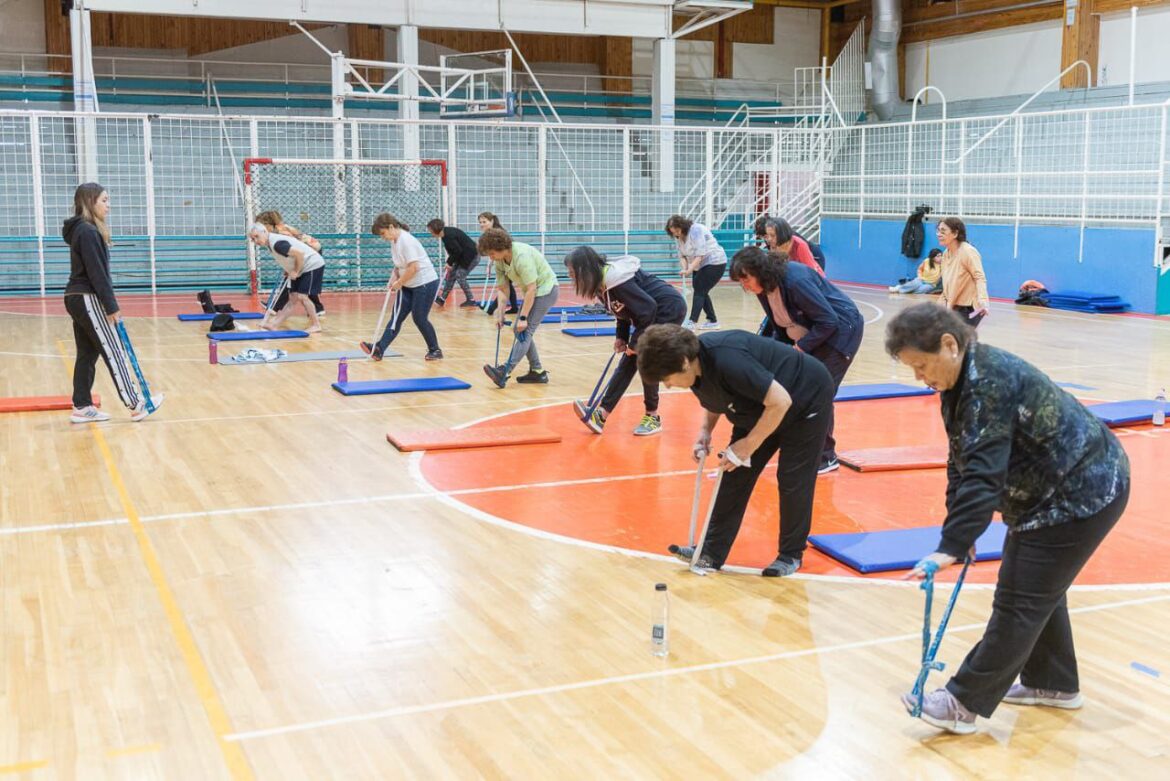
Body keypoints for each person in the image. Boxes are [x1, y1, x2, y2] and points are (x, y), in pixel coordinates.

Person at [887, 303, 1130, 735]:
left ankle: (963, 702)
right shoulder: (960, 381)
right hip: (1047, 496)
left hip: (1082, 492)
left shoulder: (988, 382)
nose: (920, 377)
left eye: (921, 365)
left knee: (1019, 600)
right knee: (1037, 589)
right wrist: (959, 526)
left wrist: (952, 545)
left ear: (949, 344)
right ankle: (1053, 683)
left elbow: (985, 473)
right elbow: (961, 459)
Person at [637, 325, 834, 576]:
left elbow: (781, 401)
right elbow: (714, 397)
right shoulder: (694, 368)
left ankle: (790, 554)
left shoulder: (728, 360)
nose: (666, 386)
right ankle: (710, 553)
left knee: (793, 479)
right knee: (733, 475)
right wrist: (705, 432)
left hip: (805, 398)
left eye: (666, 379)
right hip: (758, 406)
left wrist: (749, 444)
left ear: (684, 362)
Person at [729, 246, 863, 473]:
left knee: (819, 392)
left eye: (746, 279)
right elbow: (777, 325)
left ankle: (826, 457)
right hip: (813, 334)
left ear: (760, 271)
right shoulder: (763, 287)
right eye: (740, 282)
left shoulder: (796, 281)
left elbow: (828, 321)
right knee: (786, 385)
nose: (745, 286)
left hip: (840, 333)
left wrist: (799, 348)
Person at [63, 182, 164, 422]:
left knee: (87, 353)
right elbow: (97, 273)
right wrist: (111, 306)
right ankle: (136, 404)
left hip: (76, 297)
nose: (109, 205)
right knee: (114, 350)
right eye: (104, 200)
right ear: (91, 202)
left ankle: (82, 406)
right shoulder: (88, 232)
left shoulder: (82, 230)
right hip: (87, 297)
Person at [563, 246, 687, 436]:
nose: (570, 276)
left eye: (572, 272)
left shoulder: (616, 280)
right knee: (629, 361)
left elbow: (649, 308)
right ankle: (601, 415)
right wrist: (621, 337)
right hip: (650, 314)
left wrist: (635, 343)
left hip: (668, 309)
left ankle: (652, 417)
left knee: (646, 359)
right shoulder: (601, 283)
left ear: (584, 269)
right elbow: (621, 311)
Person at [480, 228, 559, 387]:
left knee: (524, 330)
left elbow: (532, 288)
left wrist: (523, 317)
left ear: (502, 247)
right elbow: (503, 289)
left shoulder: (521, 256)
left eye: (492, 253)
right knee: (520, 330)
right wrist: (500, 313)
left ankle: (504, 371)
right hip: (533, 292)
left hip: (546, 290)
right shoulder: (500, 261)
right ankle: (537, 371)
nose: (491, 257)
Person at [359, 214, 443, 361]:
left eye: (383, 233)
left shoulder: (406, 241)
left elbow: (414, 267)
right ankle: (379, 349)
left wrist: (400, 282)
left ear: (391, 227)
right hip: (408, 284)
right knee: (396, 317)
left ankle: (435, 350)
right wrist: (394, 277)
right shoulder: (394, 241)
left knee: (419, 318)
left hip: (424, 283)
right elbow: (400, 265)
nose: (383, 237)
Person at [247, 224, 324, 334]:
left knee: (302, 296)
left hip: (312, 264)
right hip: (300, 266)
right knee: (292, 298)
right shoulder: (270, 243)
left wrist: (295, 271)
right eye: (253, 239)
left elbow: (299, 254)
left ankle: (316, 325)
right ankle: (274, 325)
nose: (255, 241)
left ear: (264, 232)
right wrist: (288, 270)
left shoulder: (277, 244)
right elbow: (288, 257)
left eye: (256, 236)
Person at [255, 210, 326, 316]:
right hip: (305, 251)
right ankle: (317, 308)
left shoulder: (281, 232)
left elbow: (297, 249)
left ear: (268, 225)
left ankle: (276, 307)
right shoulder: (276, 230)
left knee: (297, 279)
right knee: (297, 280)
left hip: (312, 251)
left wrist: (293, 269)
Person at [666, 214, 726, 330]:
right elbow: (682, 256)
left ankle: (692, 322)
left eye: (677, 231)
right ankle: (713, 321)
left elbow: (700, 254)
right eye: (673, 232)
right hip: (699, 264)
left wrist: (689, 269)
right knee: (701, 291)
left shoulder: (696, 230)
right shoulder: (678, 238)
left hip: (714, 261)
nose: (676, 234)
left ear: (682, 226)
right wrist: (685, 268)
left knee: (699, 290)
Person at [936, 216, 990, 327]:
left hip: (969, 307)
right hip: (953, 305)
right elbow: (947, 283)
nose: (939, 234)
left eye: (943, 231)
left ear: (955, 233)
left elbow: (979, 277)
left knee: (957, 336)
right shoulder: (946, 254)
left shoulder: (968, 251)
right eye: (938, 231)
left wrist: (983, 299)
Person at [427, 218, 480, 308]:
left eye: (431, 231)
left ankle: (471, 300)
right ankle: (442, 299)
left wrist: (449, 263)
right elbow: (455, 251)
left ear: (436, 230)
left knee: (460, 275)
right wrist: (450, 264)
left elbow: (457, 251)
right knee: (451, 275)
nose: (430, 233)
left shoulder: (449, 236)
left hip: (471, 256)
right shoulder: (445, 234)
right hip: (462, 256)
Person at [753, 215, 828, 271]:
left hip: (815, 255)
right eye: (765, 237)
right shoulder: (772, 240)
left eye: (765, 236)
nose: (768, 239)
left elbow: (812, 271)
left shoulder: (791, 239)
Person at [479, 212, 518, 316]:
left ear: (491, 221)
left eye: (484, 222)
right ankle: (514, 307)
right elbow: (492, 252)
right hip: (502, 261)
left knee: (505, 285)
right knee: (507, 284)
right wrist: (489, 266)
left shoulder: (497, 233)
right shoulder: (490, 233)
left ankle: (491, 309)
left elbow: (501, 250)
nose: (482, 224)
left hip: (510, 260)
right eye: (480, 222)